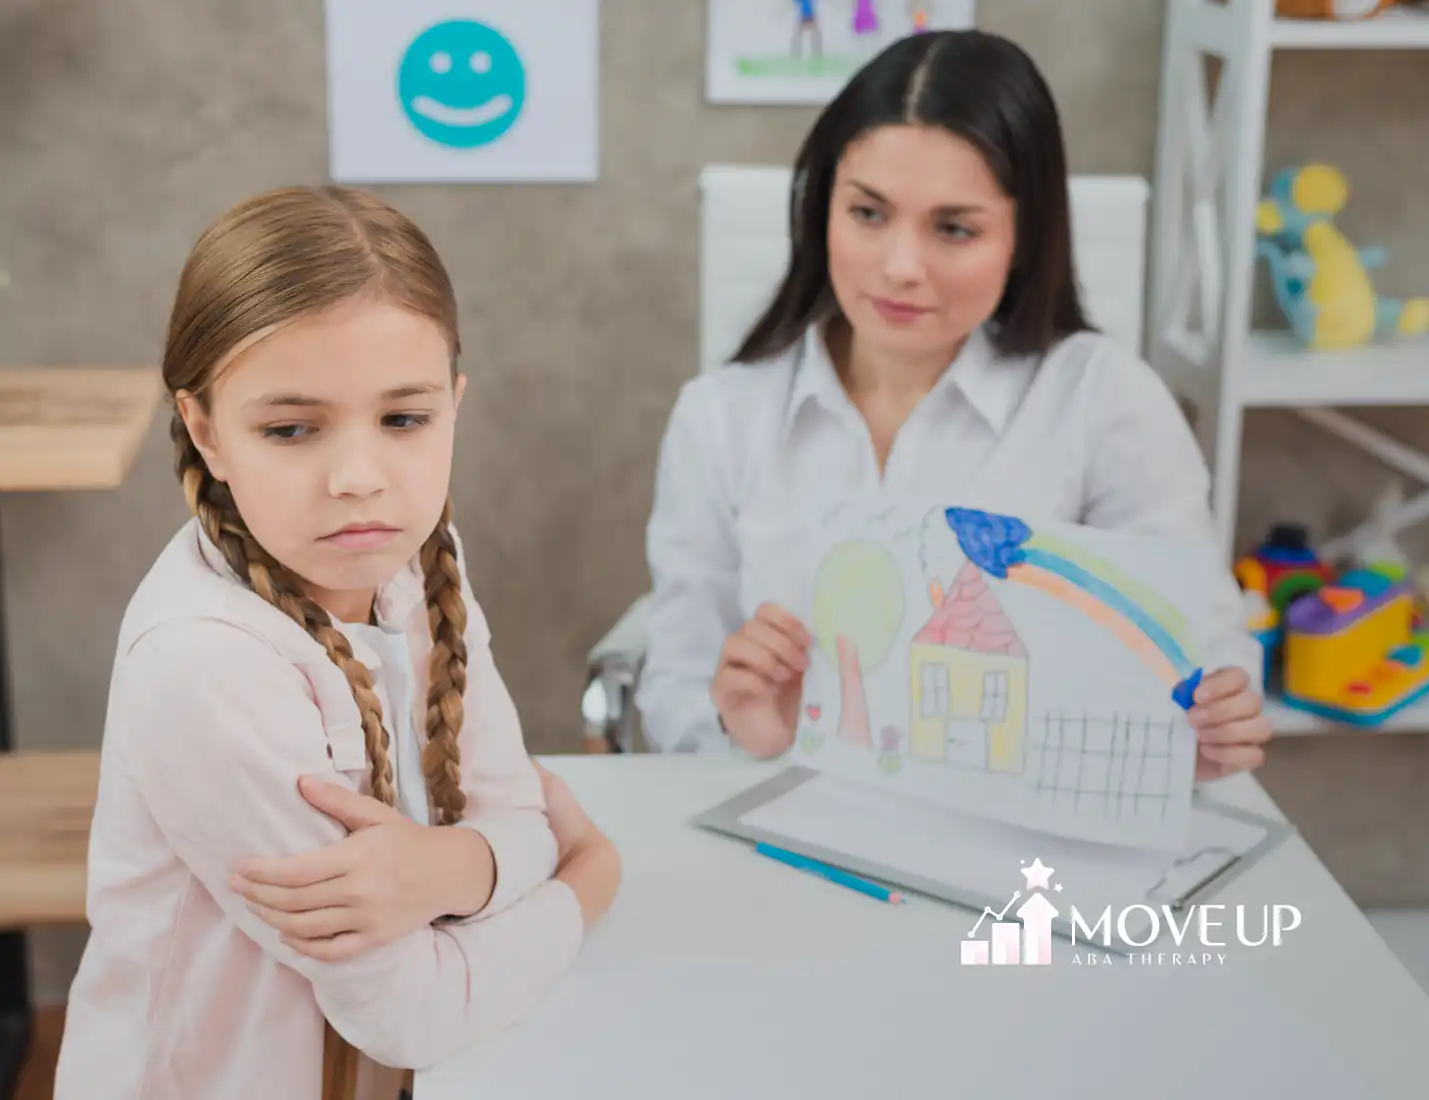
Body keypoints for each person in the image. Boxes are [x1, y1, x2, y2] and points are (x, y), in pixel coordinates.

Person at [54, 185, 620, 1100]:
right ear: (205, 431)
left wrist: (454, 864)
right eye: (290, 428)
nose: (360, 480)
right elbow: (404, 1007)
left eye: (404, 419)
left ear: (453, 404)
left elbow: (512, 809)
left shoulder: (422, 560)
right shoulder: (205, 665)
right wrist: (587, 878)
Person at [637, 30, 1273, 779]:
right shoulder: (719, 417)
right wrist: (737, 721)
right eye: (867, 213)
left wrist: (1208, 726)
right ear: (821, 210)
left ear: (1023, 236)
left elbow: (1204, 649)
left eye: (954, 228)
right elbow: (671, 691)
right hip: (785, 831)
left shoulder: (1106, 401)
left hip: (1025, 854)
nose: (899, 267)